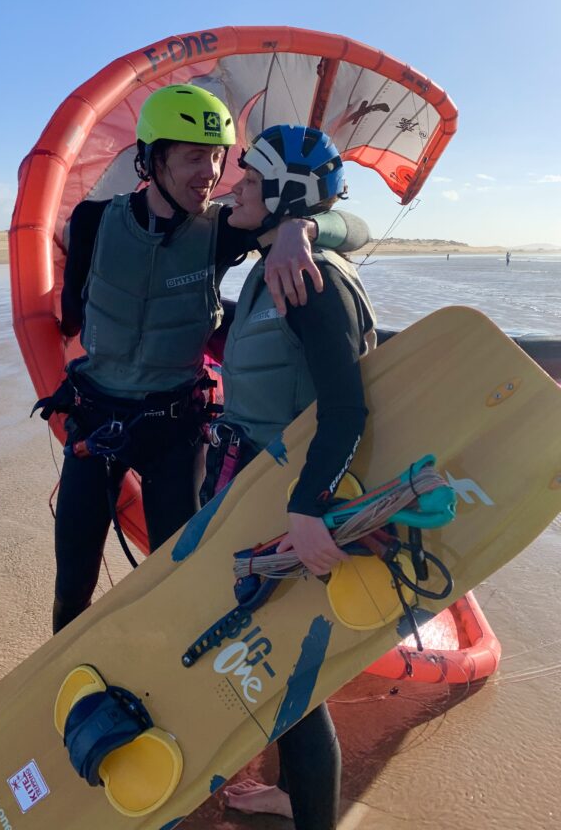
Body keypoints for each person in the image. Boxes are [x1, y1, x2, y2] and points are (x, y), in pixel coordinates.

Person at [48, 85, 370, 634]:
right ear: (151, 158)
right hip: (94, 424)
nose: (212, 171)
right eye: (195, 155)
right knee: (72, 583)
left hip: (173, 433)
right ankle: (60, 693)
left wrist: (302, 228)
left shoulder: (221, 230)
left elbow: (349, 224)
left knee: (182, 583)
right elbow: (72, 312)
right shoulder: (93, 222)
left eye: (219, 156)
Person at [199, 124, 376, 830]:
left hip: (282, 501)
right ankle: (292, 797)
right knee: (275, 673)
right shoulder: (269, 264)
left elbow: (346, 407)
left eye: (247, 181)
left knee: (295, 688)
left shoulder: (308, 279)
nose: (231, 189)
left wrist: (308, 508)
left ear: (281, 195)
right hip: (246, 485)